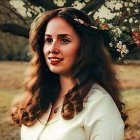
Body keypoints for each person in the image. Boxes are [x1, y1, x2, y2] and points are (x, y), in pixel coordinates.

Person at [11, 7, 126, 140]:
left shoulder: (99, 105)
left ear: (85, 47)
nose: (52, 49)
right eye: (48, 40)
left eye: (64, 40)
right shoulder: (39, 99)